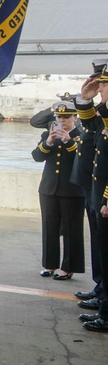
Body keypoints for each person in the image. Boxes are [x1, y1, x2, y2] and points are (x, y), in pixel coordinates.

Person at [32, 101, 85, 279]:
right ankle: (49, 264)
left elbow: (83, 159)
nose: (62, 120)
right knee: (49, 227)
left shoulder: (81, 135)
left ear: (75, 118)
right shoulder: (48, 134)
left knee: (72, 229)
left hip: (72, 190)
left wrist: (68, 141)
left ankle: (68, 266)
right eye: (59, 117)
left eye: (66, 117)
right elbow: (37, 157)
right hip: (49, 188)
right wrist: (48, 142)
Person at [73, 59, 108, 302]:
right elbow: (89, 122)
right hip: (94, 184)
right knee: (99, 243)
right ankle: (102, 289)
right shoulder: (102, 113)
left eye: (102, 83)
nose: (99, 87)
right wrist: (85, 98)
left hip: (102, 188)